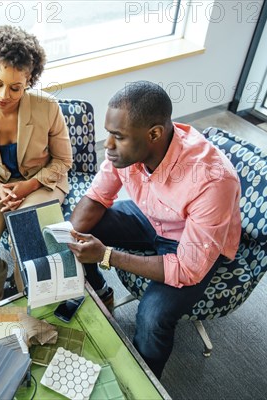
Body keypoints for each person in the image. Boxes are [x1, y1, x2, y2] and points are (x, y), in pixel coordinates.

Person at [67, 81, 241, 378]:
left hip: (192, 244)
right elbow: (97, 196)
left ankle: (143, 383)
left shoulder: (213, 180)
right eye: (109, 133)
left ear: (154, 134)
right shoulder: (126, 151)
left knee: (152, 316)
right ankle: (99, 290)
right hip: (152, 216)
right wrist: (64, 239)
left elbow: (187, 269)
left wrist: (106, 255)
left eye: (117, 137)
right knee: (79, 227)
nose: (108, 145)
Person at [0, 25, 72, 303]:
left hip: (40, 181)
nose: (3, 96)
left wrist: (28, 186)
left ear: (29, 80)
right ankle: (2, 294)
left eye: (15, 88)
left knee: (28, 240)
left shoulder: (47, 107)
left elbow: (63, 160)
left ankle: (29, 296)